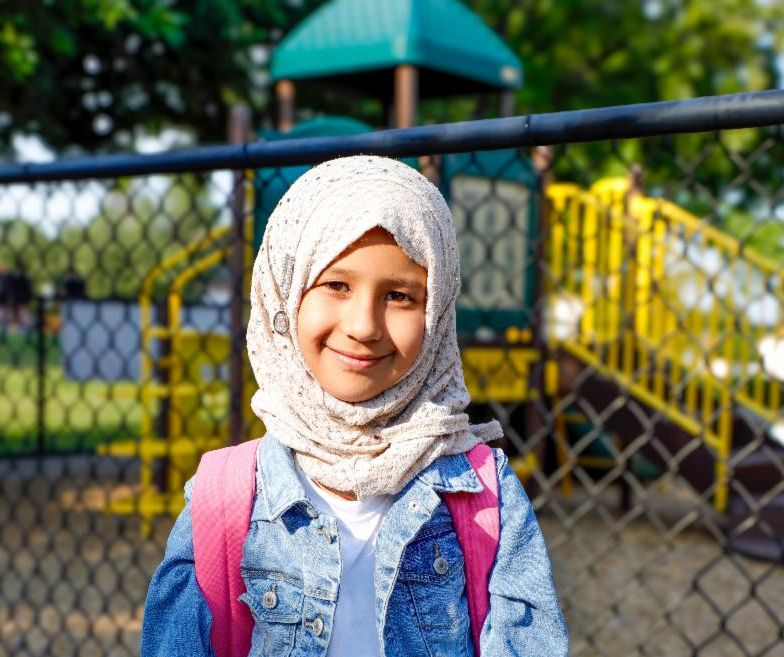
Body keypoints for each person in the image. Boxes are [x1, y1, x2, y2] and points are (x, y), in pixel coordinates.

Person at [140, 156, 568, 657]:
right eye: (336, 285)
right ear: (285, 294)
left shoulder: (485, 493)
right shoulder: (222, 497)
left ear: (437, 313)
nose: (364, 325)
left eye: (400, 296)